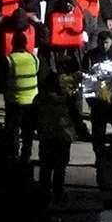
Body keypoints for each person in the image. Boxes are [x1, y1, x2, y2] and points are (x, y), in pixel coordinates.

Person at [35, 64, 89, 204]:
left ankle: (44, 194)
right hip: (63, 137)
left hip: (47, 136)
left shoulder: (41, 99)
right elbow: (76, 117)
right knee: (60, 168)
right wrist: (83, 131)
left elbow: (32, 116)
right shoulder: (67, 99)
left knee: (45, 168)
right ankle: (58, 195)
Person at [82, 31, 112, 153]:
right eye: (102, 43)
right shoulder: (91, 55)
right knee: (98, 132)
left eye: (106, 42)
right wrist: (90, 100)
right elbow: (85, 77)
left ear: (111, 42)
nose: (104, 45)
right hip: (98, 100)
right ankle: (99, 156)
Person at [3, 32, 39, 163]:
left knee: (13, 131)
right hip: (31, 103)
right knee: (28, 132)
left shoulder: (9, 60)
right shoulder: (34, 59)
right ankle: (26, 157)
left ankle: (13, 157)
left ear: (12, 43)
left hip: (14, 102)